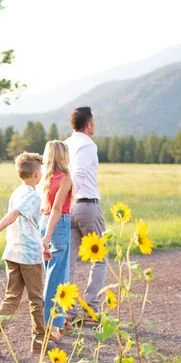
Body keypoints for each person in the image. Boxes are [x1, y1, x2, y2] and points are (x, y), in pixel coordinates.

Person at [0, 152, 53, 357]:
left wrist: (42, 245)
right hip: (28, 255)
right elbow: (14, 215)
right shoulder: (32, 195)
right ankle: (39, 340)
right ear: (37, 174)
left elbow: (29, 225)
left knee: (12, 297)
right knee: (36, 299)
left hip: (13, 251)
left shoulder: (17, 191)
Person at [65, 106, 107, 314]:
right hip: (86, 205)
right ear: (89, 124)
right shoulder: (88, 145)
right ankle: (91, 307)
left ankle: (69, 311)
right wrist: (74, 196)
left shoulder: (65, 144)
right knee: (100, 258)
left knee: (69, 262)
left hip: (66, 209)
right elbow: (79, 174)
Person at [39, 141, 74, 333]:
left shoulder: (46, 179)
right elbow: (58, 209)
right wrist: (48, 237)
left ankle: (59, 322)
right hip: (57, 225)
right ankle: (51, 325)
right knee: (57, 277)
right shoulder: (65, 178)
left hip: (43, 222)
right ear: (63, 156)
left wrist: (44, 234)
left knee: (53, 274)